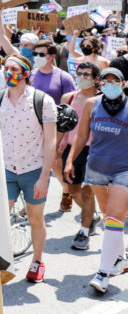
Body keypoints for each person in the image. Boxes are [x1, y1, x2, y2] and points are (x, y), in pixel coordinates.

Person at [66, 68, 128, 293]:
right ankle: (120, 259)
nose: (111, 84)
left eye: (116, 80)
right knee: (109, 217)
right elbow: (82, 135)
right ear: (100, 83)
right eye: (106, 80)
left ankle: (103, 272)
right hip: (97, 168)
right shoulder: (92, 104)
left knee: (113, 217)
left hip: (124, 170)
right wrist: (70, 160)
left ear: (123, 83)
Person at [0, 54, 57, 282]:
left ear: (25, 74)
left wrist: (44, 177)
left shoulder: (43, 101)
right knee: (1, 217)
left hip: (34, 169)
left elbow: (51, 141)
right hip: (7, 169)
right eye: (5, 68)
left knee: (35, 218)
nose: (7, 72)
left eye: (13, 69)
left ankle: (37, 261)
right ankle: (1, 265)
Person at [60, 62, 100, 249]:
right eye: (80, 74)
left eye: (87, 74)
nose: (82, 77)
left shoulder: (101, 99)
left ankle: (84, 232)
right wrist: (57, 148)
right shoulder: (69, 98)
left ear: (95, 79)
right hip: (72, 149)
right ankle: (91, 215)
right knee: (74, 191)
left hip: (94, 149)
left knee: (86, 191)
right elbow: (61, 125)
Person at [31, 39, 76, 105]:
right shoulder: (30, 75)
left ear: (52, 56)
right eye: (35, 54)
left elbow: (71, 102)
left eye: (41, 55)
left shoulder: (64, 78)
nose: (37, 57)